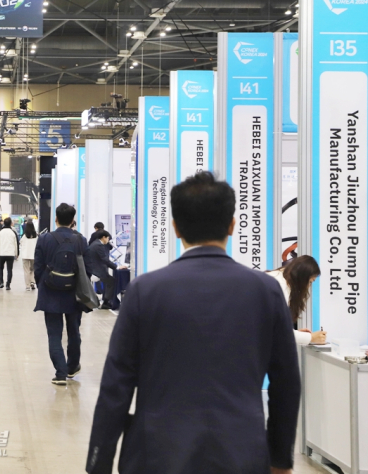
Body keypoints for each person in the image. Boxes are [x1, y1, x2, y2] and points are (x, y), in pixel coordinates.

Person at [86, 172, 301, 474]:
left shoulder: (145, 291)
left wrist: (99, 462)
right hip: (241, 453)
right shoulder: (265, 290)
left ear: (175, 227)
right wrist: (280, 459)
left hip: (156, 455)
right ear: (232, 225)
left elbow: (116, 385)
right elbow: (286, 382)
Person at [33, 203, 89, 385]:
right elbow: (87, 269)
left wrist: (45, 283)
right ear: (73, 221)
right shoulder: (81, 240)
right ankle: (72, 367)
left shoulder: (44, 239)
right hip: (74, 294)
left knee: (54, 334)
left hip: (50, 293)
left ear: (55, 219)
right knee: (74, 332)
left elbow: (38, 267)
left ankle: (60, 372)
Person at [268, 255, 327, 346]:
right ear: (302, 277)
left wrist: (294, 333)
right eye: (310, 282)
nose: (308, 287)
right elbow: (278, 331)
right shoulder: (280, 287)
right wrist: (311, 337)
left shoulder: (276, 276)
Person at [85, 230, 117, 312]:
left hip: (93, 269)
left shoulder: (95, 243)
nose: (108, 240)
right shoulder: (99, 245)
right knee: (112, 281)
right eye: (108, 238)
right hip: (96, 271)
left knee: (110, 280)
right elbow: (105, 260)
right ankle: (106, 302)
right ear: (104, 237)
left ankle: (107, 301)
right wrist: (116, 267)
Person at [0, 217, 19, 290]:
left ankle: (1, 282)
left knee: (0, 268)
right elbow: (16, 244)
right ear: (11, 223)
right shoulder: (13, 232)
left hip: (2, 253)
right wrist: (17, 253)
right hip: (10, 254)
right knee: (9, 269)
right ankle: (8, 284)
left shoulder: (0, 232)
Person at [19, 221, 38, 291]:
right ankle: (32, 282)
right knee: (32, 269)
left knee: (26, 270)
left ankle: (27, 285)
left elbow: (20, 243)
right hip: (33, 255)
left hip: (25, 255)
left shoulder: (24, 236)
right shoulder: (36, 236)